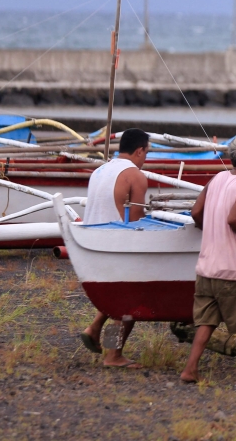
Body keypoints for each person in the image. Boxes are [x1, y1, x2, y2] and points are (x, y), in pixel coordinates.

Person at [180, 135, 236, 385]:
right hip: (232, 267)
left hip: (206, 265)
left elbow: (196, 212)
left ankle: (191, 369)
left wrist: (209, 228)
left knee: (207, 320)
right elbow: (234, 218)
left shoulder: (217, 178)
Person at [78, 128, 150, 368]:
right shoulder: (135, 176)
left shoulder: (100, 170)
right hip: (115, 245)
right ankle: (113, 354)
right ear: (139, 150)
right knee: (130, 304)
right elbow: (139, 221)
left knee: (117, 297)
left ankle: (94, 328)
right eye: (146, 153)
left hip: (90, 245)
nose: (145, 158)